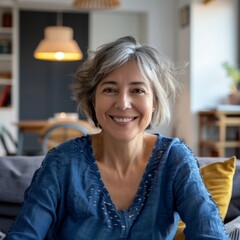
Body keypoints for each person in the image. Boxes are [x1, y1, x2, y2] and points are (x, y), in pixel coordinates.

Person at [5, 36, 229, 239]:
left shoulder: (175, 159)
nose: (123, 103)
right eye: (110, 89)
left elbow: (210, 233)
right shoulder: (61, 163)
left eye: (137, 90)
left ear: (155, 102)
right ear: (93, 100)